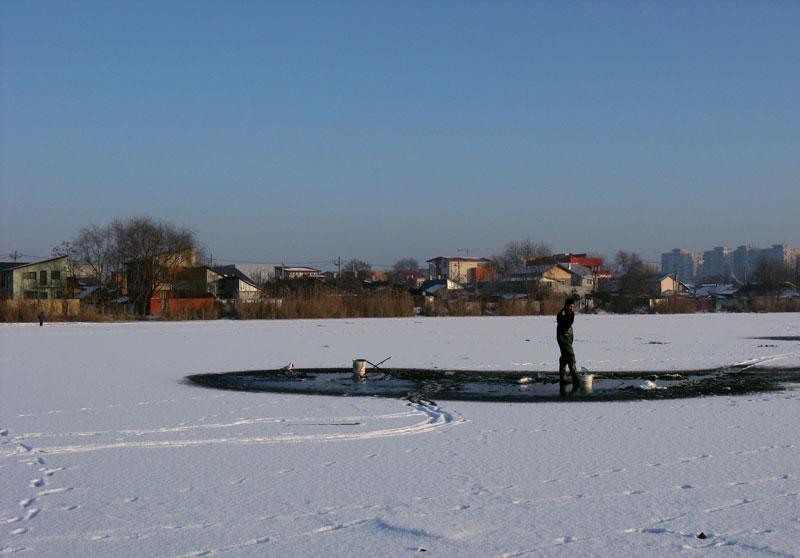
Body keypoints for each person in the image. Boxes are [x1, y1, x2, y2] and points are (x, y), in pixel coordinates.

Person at [556, 298, 579, 388]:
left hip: (568, 339)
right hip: (563, 339)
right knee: (571, 356)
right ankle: (576, 380)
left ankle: (562, 378)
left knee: (564, 357)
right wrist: (571, 315)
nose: (572, 308)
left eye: (573, 307)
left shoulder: (570, 313)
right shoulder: (562, 314)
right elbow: (567, 324)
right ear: (566, 306)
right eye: (570, 306)